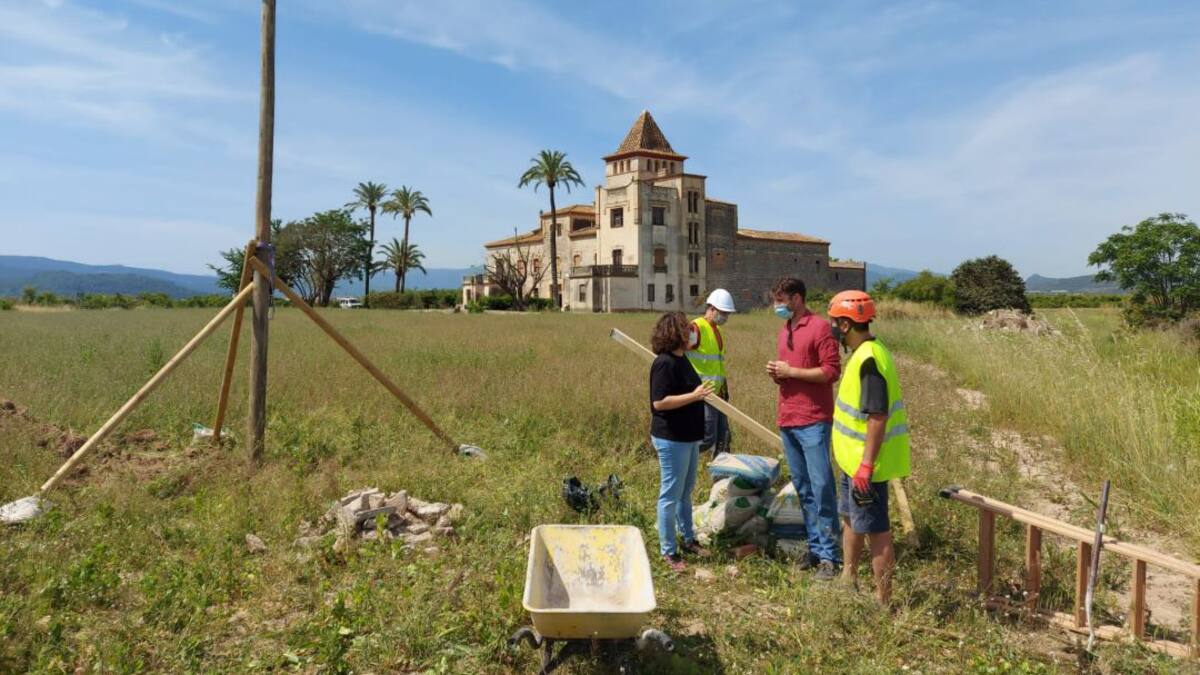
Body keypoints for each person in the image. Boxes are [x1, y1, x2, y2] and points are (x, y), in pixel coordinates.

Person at [828, 290, 910, 605]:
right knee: (850, 518)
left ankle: (884, 602)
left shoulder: (869, 360)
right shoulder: (863, 353)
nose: (832, 327)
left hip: (866, 468)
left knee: (877, 532)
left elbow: (877, 416)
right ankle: (848, 576)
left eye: (835, 322)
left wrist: (866, 465)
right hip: (853, 463)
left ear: (846, 325)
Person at [765, 277, 842, 581]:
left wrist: (791, 371)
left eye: (781, 300)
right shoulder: (785, 330)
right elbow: (792, 372)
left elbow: (830, 371)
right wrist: (778, 375)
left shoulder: (820, 327)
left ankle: (829, 557)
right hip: (788, 418)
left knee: (822, 487)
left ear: (797, 299)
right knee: (804, 488)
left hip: (813, 419)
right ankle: (814, 547)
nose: (777, 306)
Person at [649, 311, 713, 572]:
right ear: (675, 333)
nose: (691, 333)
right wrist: (695, 396)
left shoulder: (683, 359)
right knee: (670, 494)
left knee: (685, 492)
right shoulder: (664, 363)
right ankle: (668, 551)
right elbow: (660, 402)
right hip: (671, 437)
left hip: (688, 436)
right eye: (687, 329)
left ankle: (688, 539)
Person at [686, 289, 736, 457]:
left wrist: (724, 390)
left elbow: (717, 365)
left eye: (727, 314)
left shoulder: (717, 331)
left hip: (718, 394)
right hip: (703, 394)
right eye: (723, 313)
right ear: (712, 308)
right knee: (708, 438)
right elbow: (678, 354)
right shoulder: (695, 328)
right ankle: (681, 453)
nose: (725, 317)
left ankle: (721, 477)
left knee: (724, 438)